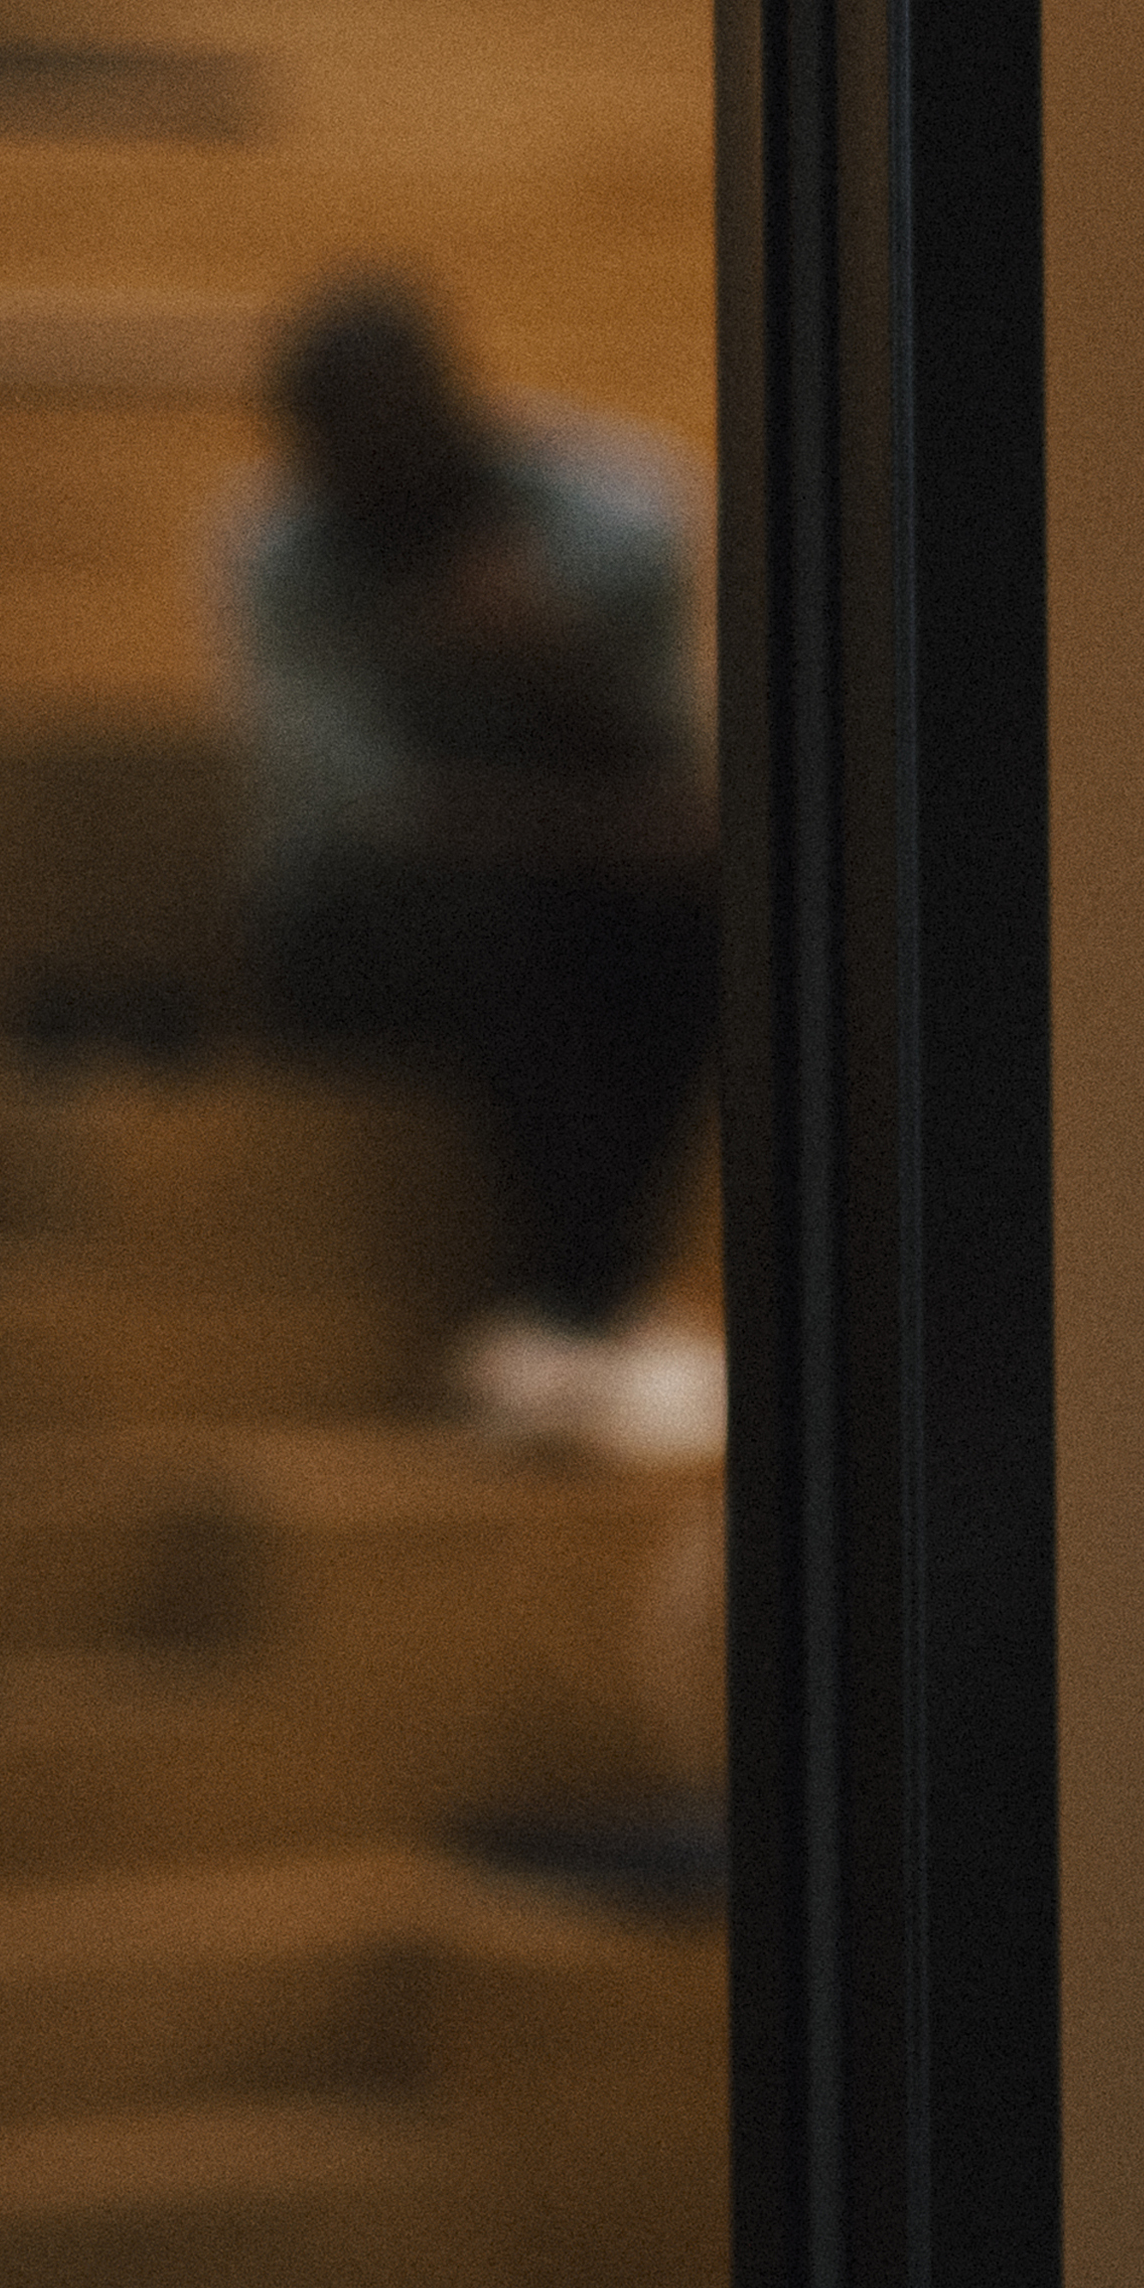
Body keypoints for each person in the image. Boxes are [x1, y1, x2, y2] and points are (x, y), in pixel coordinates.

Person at [231, 272, 723, 1467]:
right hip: (351, 922)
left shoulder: (606, 518)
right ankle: (581, 1303)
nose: (379, 479)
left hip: (573, 892)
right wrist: (604, 831)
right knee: (522, 923)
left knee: (708, 920)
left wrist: (545, 661)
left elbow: (680, 771)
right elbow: (368, 820)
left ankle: (573, 1314)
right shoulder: (284, 559)